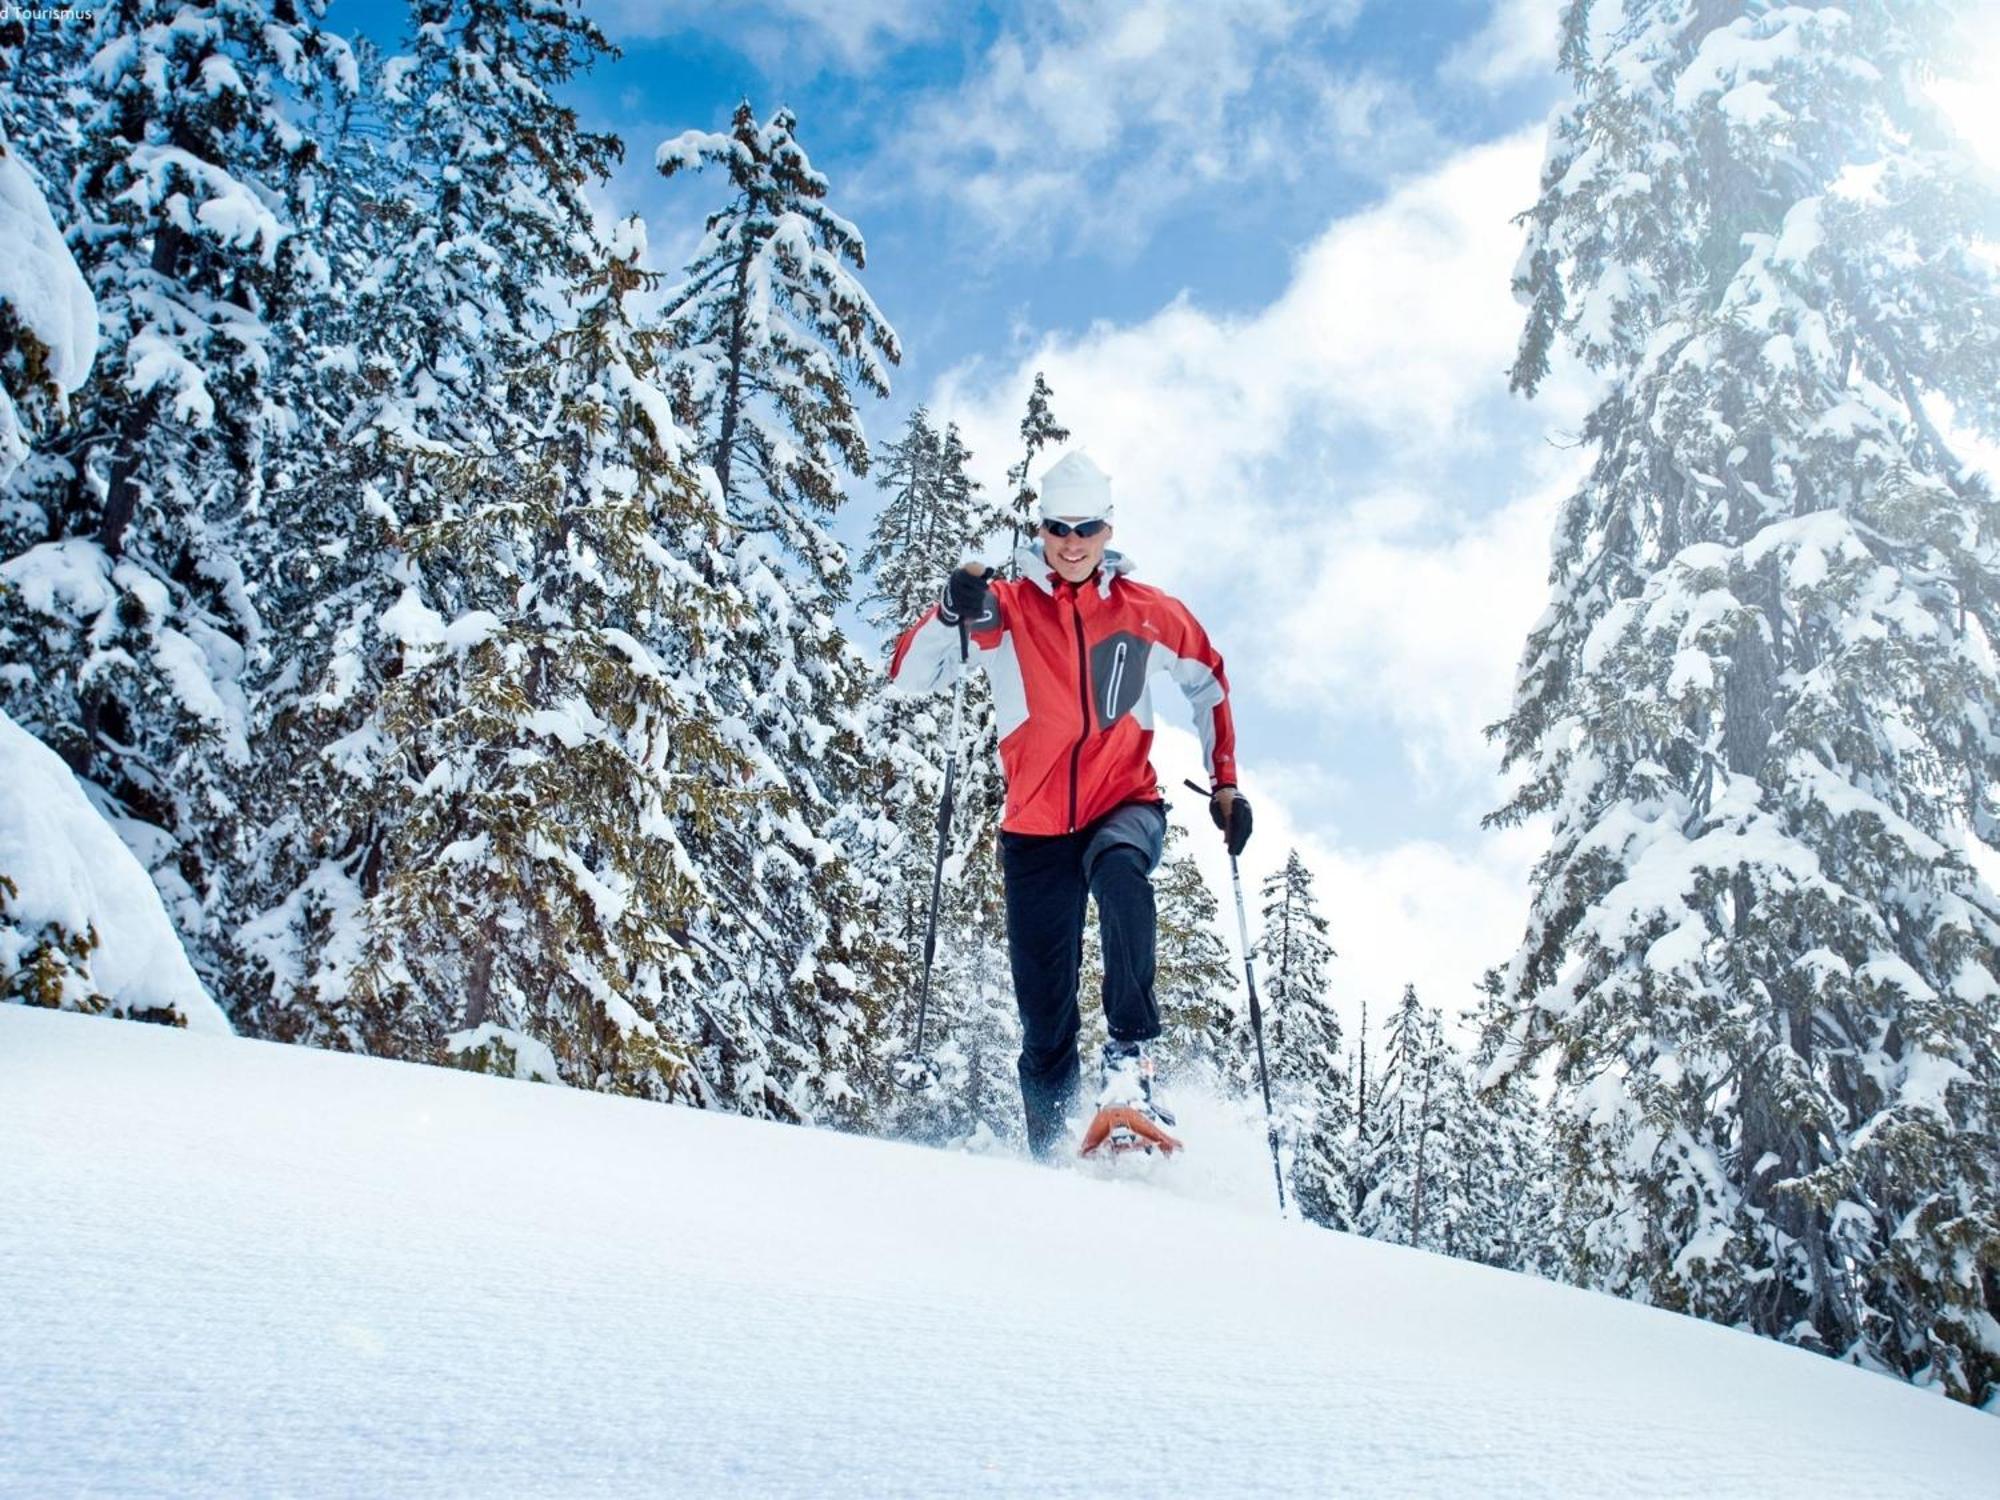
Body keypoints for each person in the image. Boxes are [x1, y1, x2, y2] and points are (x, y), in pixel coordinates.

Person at [889, 450, 1252, 1158]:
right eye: (1060, 527)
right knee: (1046, 1022)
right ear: (1042, 528)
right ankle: (1053, 1157)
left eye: (1088, 527)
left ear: (1108, 528)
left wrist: (1226, 780)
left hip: (1126, 800)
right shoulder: (1008, 608)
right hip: (1035, 829)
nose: (1074, 542)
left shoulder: (1148, 611)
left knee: (1122, 875)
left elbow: (1208, 680)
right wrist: (947, 612)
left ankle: (1132, 1068)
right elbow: (911, 675)